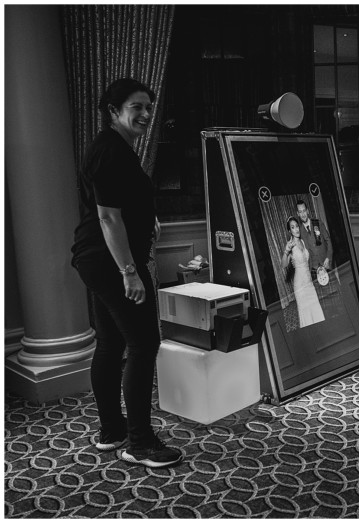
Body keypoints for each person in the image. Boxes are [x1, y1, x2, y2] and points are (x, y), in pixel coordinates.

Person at [71, 78, 182, 468]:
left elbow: (119, 201)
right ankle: (141, 443)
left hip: (99, 260)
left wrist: (147, 217)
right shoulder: (110, 150)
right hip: (110, 262)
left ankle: (112, 431)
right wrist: (129, 273)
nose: (146, 115)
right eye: (137, 107)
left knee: (111, 343)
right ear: (114, 110)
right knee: (143, 343)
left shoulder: (117, 148)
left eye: (149, 107)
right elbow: (107, 216)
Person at [283, 216, 325, 328]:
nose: (296, 229)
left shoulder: (302, 241)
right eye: (293, 227)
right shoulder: (290, 245)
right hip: (300, 285)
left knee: (315, 309)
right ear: (289, 231)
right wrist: (286, 251)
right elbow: (283, 265)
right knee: (305, 313)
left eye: (297, 226)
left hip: (309, 283)